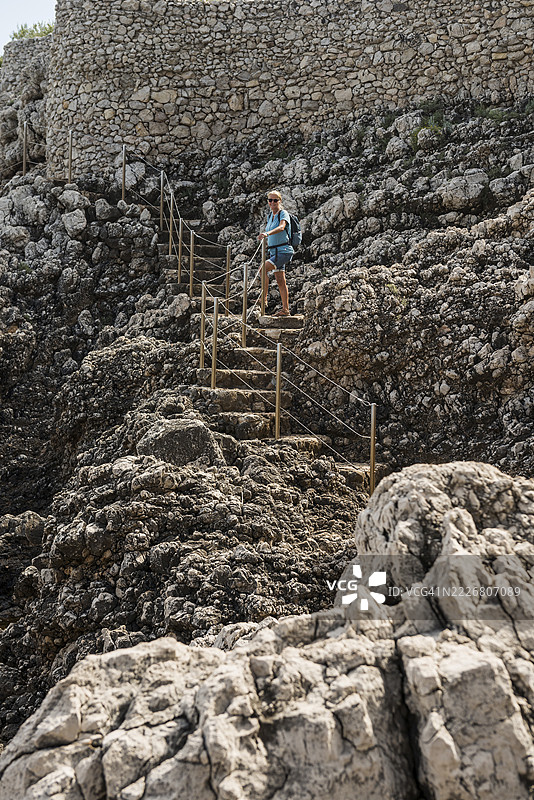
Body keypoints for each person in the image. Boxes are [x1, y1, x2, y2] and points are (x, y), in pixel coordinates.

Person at [258, 190, 293, 316]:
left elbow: (282, 227)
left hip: (283, 251)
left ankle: (264, 299)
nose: (272, 203)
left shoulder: (283, 214)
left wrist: (267, 233)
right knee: (280, 280)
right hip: (275, 252)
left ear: (280, 201)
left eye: (275, 200)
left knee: (263, 269)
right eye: (270, 200)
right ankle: (285, 310)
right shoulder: (270, 216)